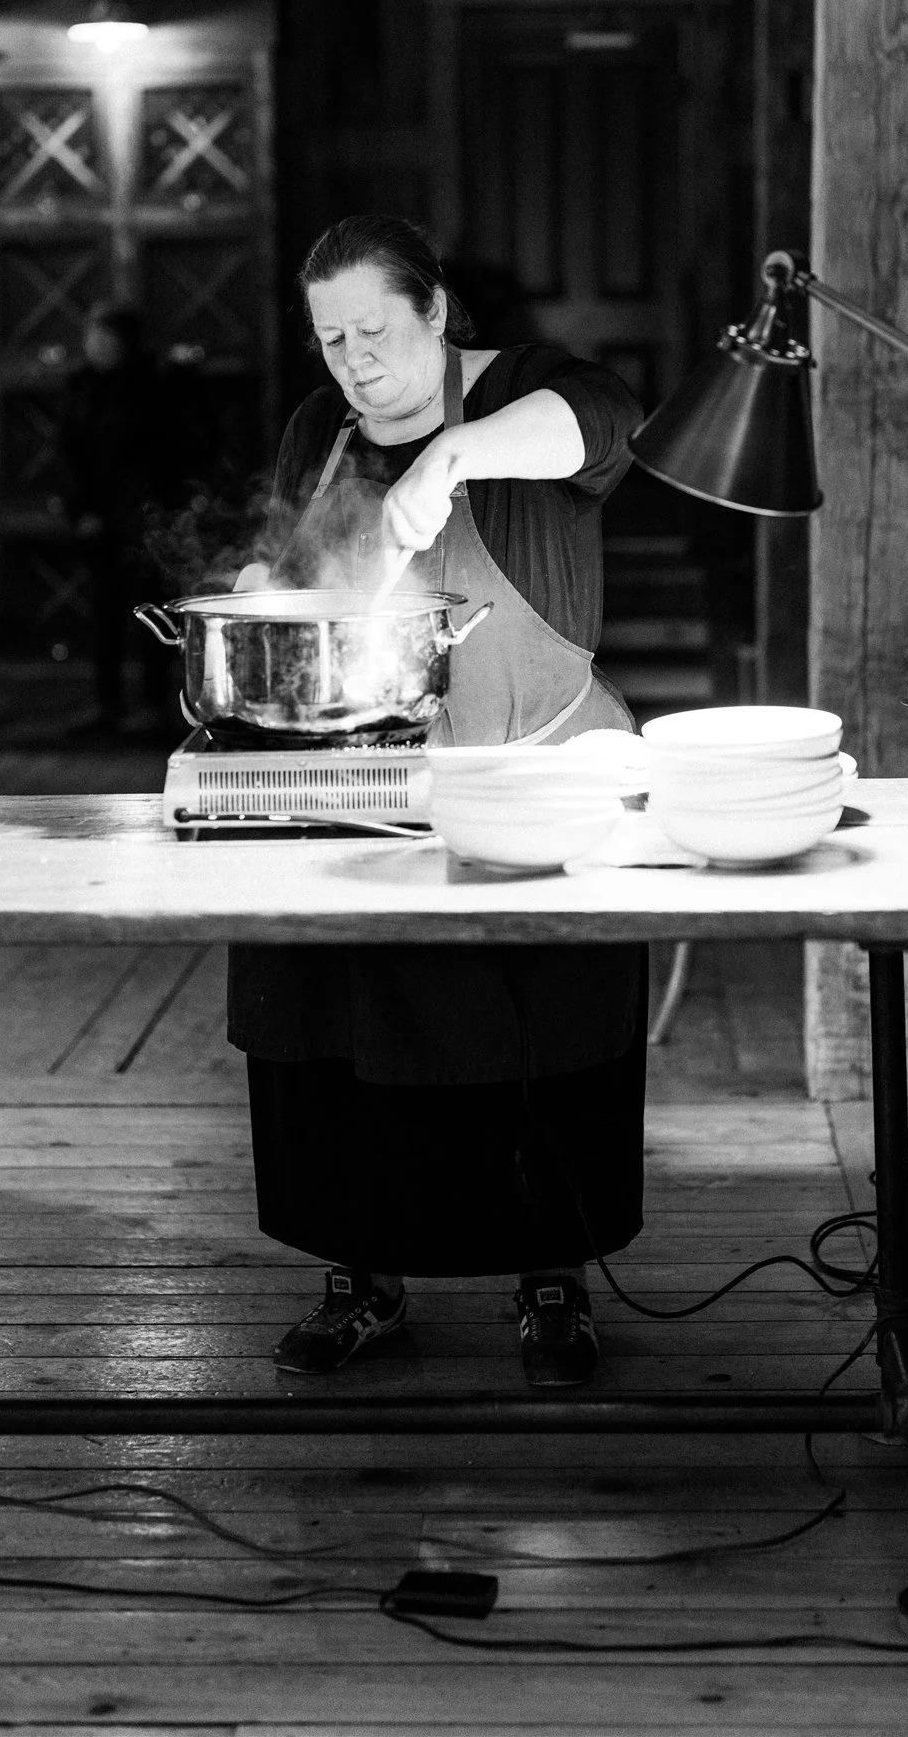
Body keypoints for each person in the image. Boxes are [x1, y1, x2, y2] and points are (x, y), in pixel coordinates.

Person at [228, 215, 648, 1387]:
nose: (353, 359)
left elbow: (611, 419)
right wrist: (271, 586)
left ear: (436, 309)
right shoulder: (321, 430)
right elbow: (305, 578)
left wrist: (451, 458)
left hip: (524, 771)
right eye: (329, 338)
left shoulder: (529, 391)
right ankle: (361, 1277)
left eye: (374, 328)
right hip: (358, 774)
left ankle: (552, 1281)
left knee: (543, 1026)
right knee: (331, 1028)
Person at [60, 303, 196, 735]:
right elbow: (69, 453)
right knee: (102, 614)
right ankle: (108, 704)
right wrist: (81, 509)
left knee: (153, 616)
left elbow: (174, 451)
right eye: (92, 337)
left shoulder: (155, 387)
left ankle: (157, 704)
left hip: (145, 519)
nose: (95, 346)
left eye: (105, 338)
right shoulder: (81, 387)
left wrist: (157, 508)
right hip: (98, 518)